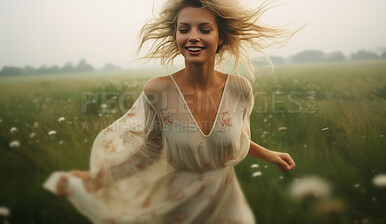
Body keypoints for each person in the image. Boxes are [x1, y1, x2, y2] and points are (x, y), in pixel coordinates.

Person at [43, 0, 296, 223]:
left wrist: (267, 153)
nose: (193, 36)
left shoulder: (240, 89)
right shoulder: (159, 90)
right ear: (176, 37)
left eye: (204, 29)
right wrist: (96, 179)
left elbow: (232, 137)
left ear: (220, 37)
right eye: (184, 29)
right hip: (179, 206)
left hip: (228, 205)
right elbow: (150, 150)